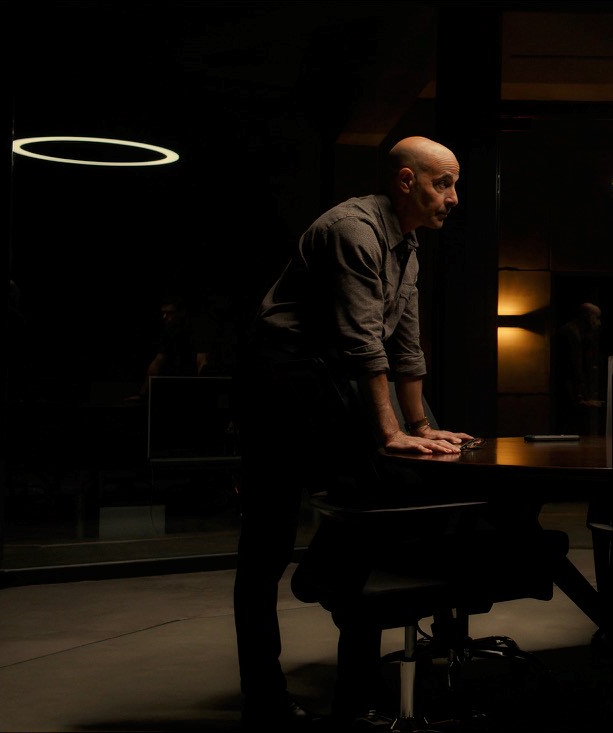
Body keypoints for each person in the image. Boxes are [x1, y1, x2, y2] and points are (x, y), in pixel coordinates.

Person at [232, 135, 477, 727]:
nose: (453, 197)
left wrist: (421, 426)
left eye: (455, 185)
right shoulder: (352, 229)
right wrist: (389, 435)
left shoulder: (408, 245)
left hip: (332, 372)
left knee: (398, 488)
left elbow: (405, 345)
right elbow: (362, 342)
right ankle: (264, 697)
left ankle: (358, 687)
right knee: (266, 545)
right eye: (443, 183)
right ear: (406, 181)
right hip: (281, 377)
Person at [552, 301, 604, 434]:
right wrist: (579, 398)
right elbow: (571, 369)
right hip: (568, 399)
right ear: (587, 316)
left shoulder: (575, 333)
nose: (598, 323)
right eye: (596, 318)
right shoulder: (571, 334)